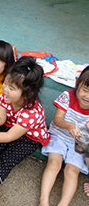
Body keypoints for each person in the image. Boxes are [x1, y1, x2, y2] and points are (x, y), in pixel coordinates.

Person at [0, 56, 50, 192]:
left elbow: (9, 137)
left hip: (30, 137)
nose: (5, 89)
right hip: (10, 125)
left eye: (11, 87)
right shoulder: (5, 96)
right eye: (5, 83)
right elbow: (0, 119)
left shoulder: (32, 113)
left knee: (10, 156)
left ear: (27, 94)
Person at [39, 65, 89, 206]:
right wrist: (69, 125)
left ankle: (63, 204)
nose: (87, 96)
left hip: (80, 142)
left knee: (72, 171)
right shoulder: (67, 96)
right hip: (59, 135)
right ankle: (44, 200)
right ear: (77, 83)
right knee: (54, 163)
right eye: (85, 90)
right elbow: (57, 120)